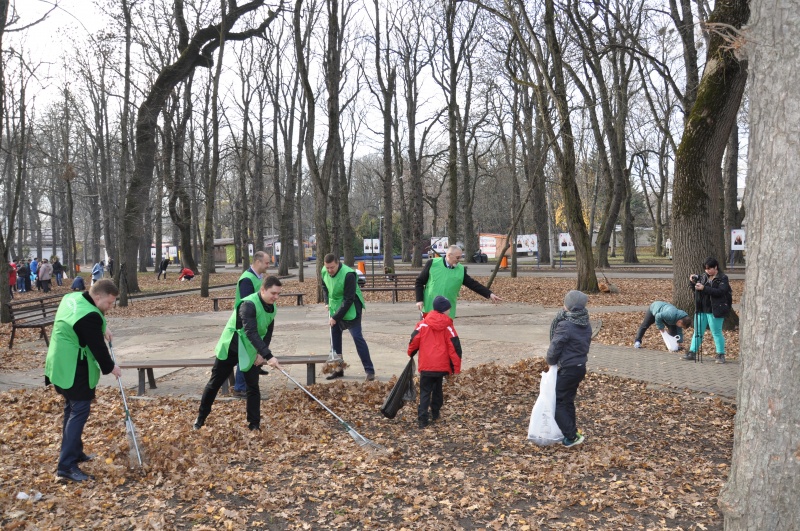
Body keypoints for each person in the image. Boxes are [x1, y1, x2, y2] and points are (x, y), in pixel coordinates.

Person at [44, 279, 122, 482]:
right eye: (109, 303)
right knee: (79, 411)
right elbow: (98, 347)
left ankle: (75, 452)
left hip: (58, 363)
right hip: (73, 369)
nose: (110, 307)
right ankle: (66, 466)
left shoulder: (73, 297)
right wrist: (111, 367)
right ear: (98, 297)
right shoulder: (89, 317)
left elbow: (92, 318)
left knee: (71, 409)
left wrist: (103, 327)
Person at [194, 276, 284, 431]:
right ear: (263, 290)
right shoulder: (248, 305)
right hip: (232, 346)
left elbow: (268, 332)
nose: (276, 297)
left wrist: (262, 354)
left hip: (250, 349)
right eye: (273, 293)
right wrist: (269, 355)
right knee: (215, 383)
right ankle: (200, 419)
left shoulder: (272, 307)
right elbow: (251, 331)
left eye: (278, 294)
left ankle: (254, 425)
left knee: (253, 387)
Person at [407, 295, 462, 428]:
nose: (450, 311)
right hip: (441, 366)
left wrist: (411, 352)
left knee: (425, 391)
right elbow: (455, 347)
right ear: (444, 310)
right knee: (437, 389)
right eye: (449, 308)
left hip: (426, 365)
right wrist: (456, 367)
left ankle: (422, 419)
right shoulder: (448, 326)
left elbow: (414, 340)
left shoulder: (423, 324)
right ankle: (435, 412)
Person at [546, 290, 592, 448]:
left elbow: (555, 346)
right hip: (580, 367)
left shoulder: (565, 325)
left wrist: (551, 361)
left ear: (569, 306)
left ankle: (571, 436)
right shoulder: (584, 322)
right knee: (567, 400)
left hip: (568, 368)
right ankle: (570, 430)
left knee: (557, 401)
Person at [321, 253, 375, 381]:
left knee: (357, 337)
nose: (329, 270)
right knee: (334, 340)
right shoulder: (324, 271)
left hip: (352, 308)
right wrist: (326, 302)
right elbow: (324, 286)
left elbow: (348, 299)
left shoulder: (348, 274)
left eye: (332, 267)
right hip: (335, 307)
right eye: (327, 267)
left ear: (338, 263)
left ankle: (369, 370)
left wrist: (335, 317)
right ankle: (338, 370)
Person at [415, 245, 502, 318]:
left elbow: (473, 284)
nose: (459, 260)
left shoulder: (460, 269)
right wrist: (419, 300)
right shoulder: (432, 263)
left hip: (447, 310)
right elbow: (419, 282)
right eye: (457, 257)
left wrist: (489, 294)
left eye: (460, 257)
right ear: (449, 255)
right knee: (428, 336)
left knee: (445, 337)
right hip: (430, 308)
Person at [232, 251, 271, 397]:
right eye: (267, 262)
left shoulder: (258, 277)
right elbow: (246, 304)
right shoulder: (247, 279)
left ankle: (255, 368)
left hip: (255, 320)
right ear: (258, 262)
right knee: (246, 354)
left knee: (255, 349)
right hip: (244, 323)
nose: (268, 265)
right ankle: (240, 387)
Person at [683, 257, 732, 364]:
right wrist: (692, 283)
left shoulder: (722, 278)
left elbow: (721, 291)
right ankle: (692, 351)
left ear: (716, 267)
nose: (707, 271)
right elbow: (696, 290)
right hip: (701, 309)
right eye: (706, 269)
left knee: (716, 332)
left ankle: (720, 354)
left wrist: (704, 288)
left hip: (715, 309)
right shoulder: (703, 277)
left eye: (710, 269)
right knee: (698, 332)